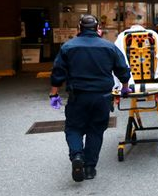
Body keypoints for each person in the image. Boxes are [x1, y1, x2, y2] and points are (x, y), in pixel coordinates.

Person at [49, 15, 131, 182]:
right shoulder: (109, 47)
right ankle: (90, 168)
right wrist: (124, 88)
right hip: (102, 97)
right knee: (96, 130)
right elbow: (122, 69)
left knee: (73, 128)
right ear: (97, 28)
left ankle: (77, 155)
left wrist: (54, 93)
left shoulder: (68, 47)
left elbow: (58, 72)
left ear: (79, 28)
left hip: (78, 96)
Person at [112, 23, 158, 90]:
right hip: (152, 73)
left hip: (131, 72)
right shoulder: (152, 35)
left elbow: (116, 53)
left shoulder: (122, 37)